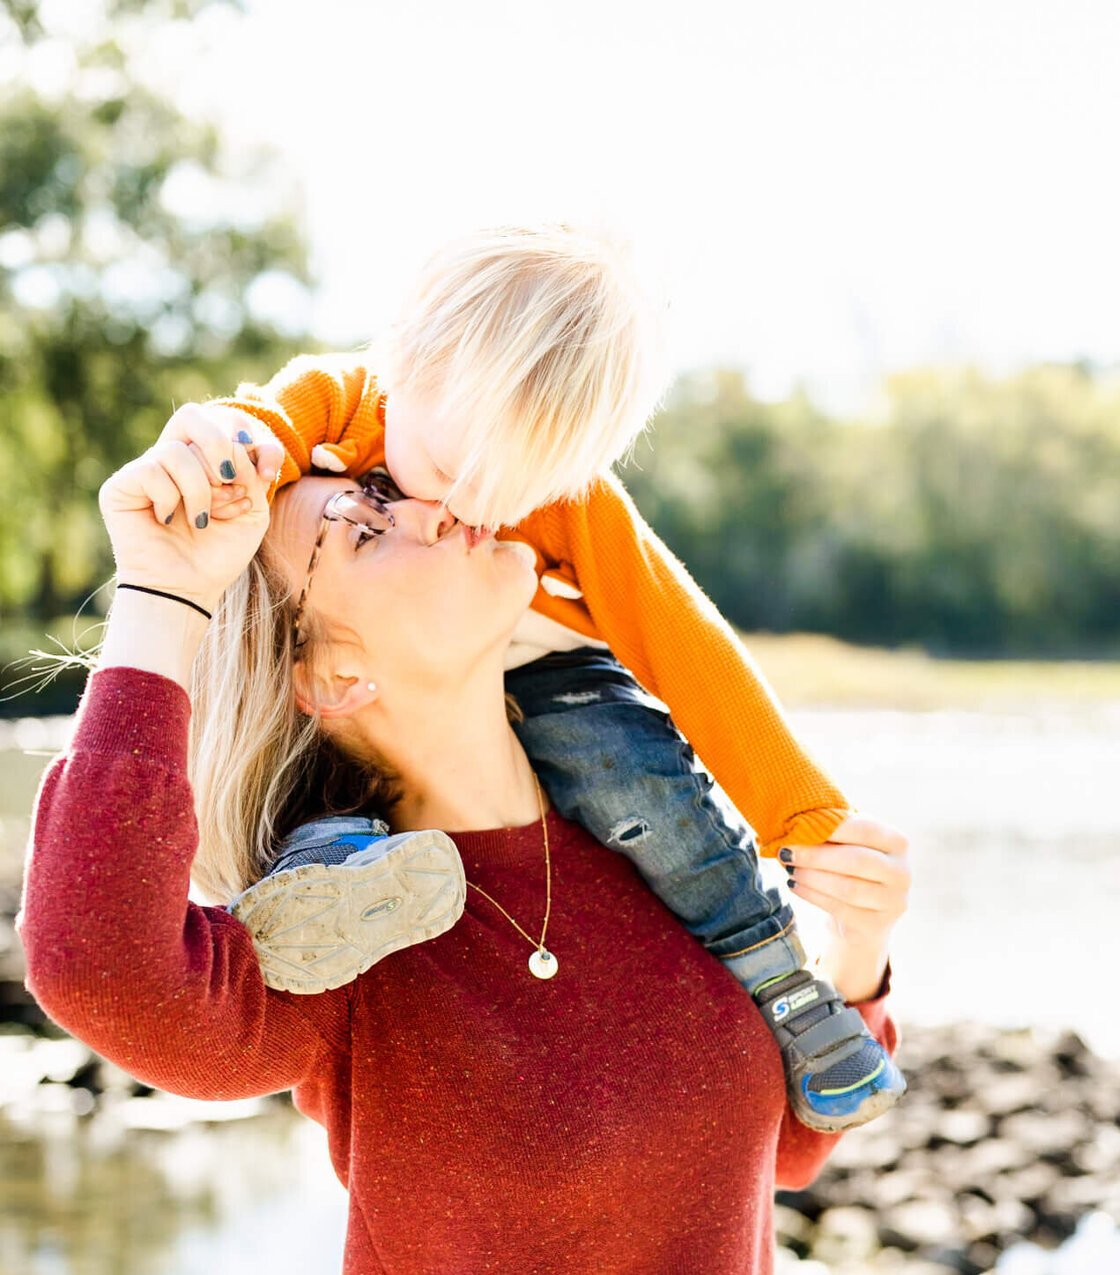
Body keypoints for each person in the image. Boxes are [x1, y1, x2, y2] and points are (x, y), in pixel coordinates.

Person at [18, 422, 908, 1275]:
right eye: (361, 532)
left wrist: (852, 965)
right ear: (332, 674)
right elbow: (99, 968)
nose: (424, 509)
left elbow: (775, 1148)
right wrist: (167, 591)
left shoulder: (663, 851)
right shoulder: (349, 925)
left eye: (391, 493)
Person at [175, 222, 904, 1133]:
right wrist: (205, 474)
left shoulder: (576, 501)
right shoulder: (336, 401)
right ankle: (326, 859)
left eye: (513, 491)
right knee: (334, 741)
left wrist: (807, 825)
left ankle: (780, 981)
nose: (461, 511)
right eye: (436, 475)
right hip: (366, 711)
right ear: (402, 360)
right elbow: (248, 444)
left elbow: (686, 647)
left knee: (645, 781)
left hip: (553, 668)